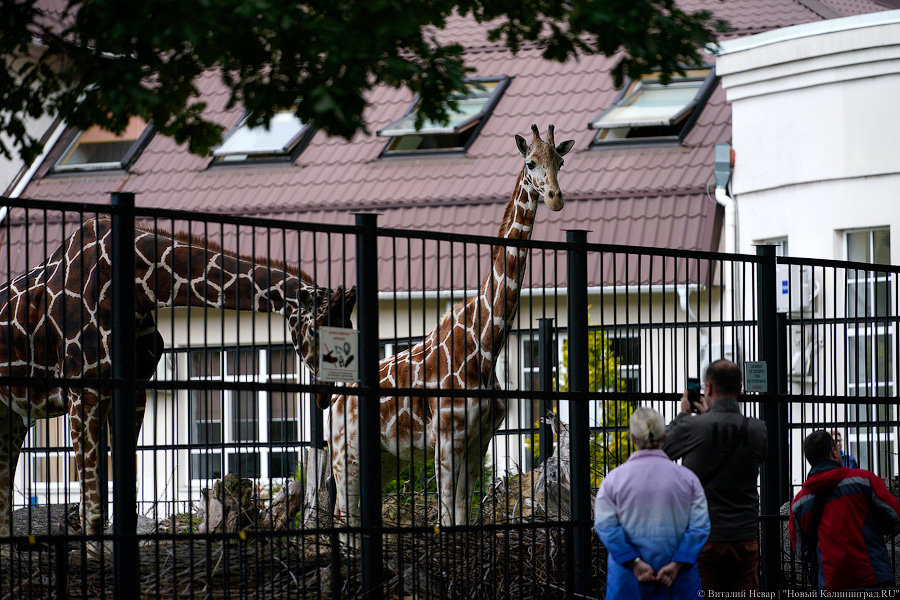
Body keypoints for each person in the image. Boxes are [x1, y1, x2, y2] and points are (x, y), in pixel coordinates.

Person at [662, 359, 768, 593]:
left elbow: (660, 450)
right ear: (740, 388)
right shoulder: (758, 429)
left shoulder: (693, 427)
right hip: (745, 537)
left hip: (704, 537)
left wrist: (683, 416)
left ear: (707, 388)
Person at [594, 407, 710, 599]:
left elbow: (605, 526)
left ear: (632, 438)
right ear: (663, 437)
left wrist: (634, 561)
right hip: (678, 582)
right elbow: (700, 526)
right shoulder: (688, 480)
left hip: (629, 581)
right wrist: (677, 563)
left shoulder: (613, 481)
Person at [789, 430, 899, 592]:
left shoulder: (799, 504)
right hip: (874, 578)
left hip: (831, 585)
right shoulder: (863, 480)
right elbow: (893, 514)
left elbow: (801, 549)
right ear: (833, 451)